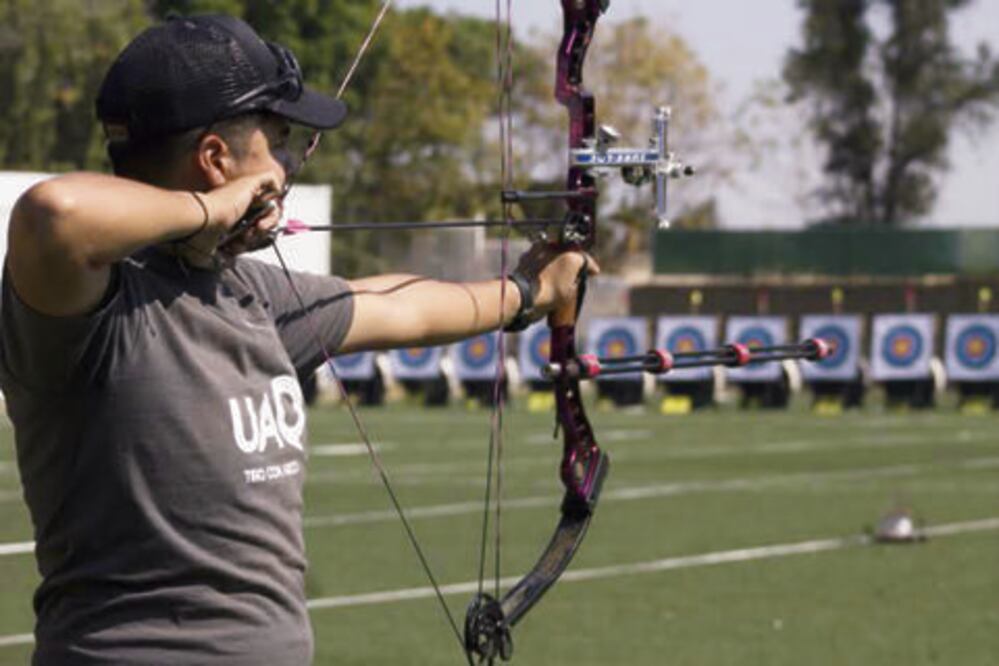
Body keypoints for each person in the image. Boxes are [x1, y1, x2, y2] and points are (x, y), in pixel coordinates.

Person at [1, 15, 593, 665]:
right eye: (279, 143)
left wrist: (528, 292)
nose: (288, 166)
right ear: (215, 160)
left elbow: (399, 307)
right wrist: (212, 209)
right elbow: (52, 215)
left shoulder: (254, 293)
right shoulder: (95, 308)